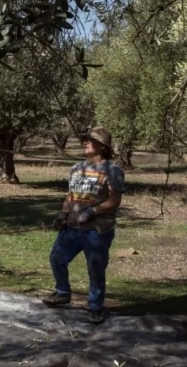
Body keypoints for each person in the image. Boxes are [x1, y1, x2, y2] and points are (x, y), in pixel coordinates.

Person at [43, 127, 126, 324]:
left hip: (97, 231)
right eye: (85, 139)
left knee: (95, 268)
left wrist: (93, 211)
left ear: (103, 146)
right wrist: (63, 213)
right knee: (56, 257)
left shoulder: (112, 170)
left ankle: (95, 306)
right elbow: (70, 196)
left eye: (90, 140)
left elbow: (114, 200)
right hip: (72, 229)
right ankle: (63, 292)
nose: (85, 142)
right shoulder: (76, 168)